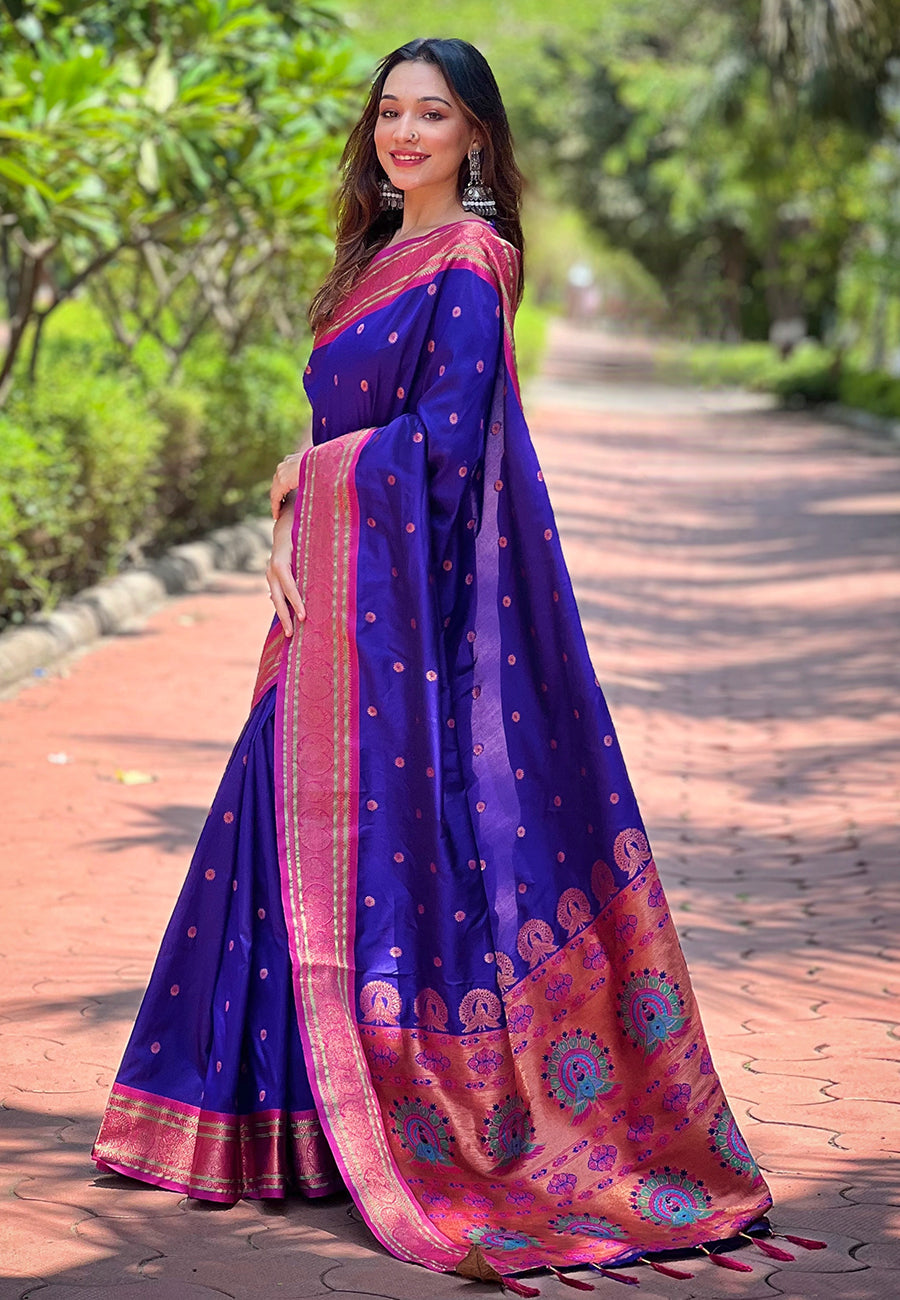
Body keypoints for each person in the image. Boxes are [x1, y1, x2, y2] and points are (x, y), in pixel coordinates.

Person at [93, 36, 801, 1291]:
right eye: (390, 111)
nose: (405, 132)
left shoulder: (471, 261)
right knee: (275, 828)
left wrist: (307, 476)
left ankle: (407, 1124)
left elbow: (449, 443)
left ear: (476, 135)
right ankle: (281, 1127)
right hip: (335, 598)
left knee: (372, 845)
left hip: (406, 618)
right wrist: (295, 508)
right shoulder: (374, 255)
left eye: (433, 114)